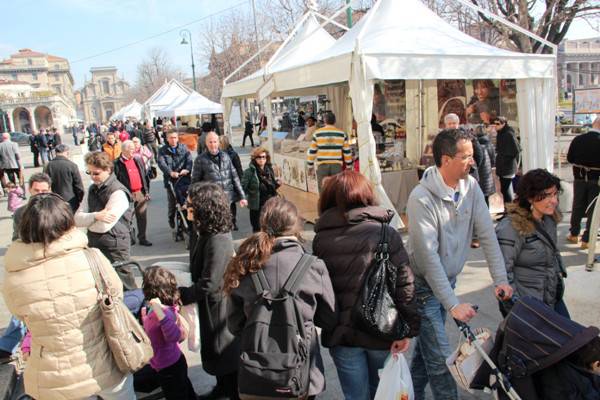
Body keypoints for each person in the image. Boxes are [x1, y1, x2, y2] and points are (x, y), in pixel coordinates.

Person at [406, 129, 513, 400]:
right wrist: (453, 304)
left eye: (472, 156)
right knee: (442, 359)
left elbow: (487, 234)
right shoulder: (421, 199)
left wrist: (500, 278)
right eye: (466, 157)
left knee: (427, 351)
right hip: (423, 286)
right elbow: (429, 259)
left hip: (447, 282)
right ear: (445, 159)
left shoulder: (471, 187)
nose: (473, 162)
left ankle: (409, 393)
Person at [3, 194, 135, 399]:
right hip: (105, 365)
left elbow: (19, 314)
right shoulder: (92, 258)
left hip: (52, 376)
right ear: (66, 222)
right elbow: (116, 295)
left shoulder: (15, 275)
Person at [312, 170, 420, 400]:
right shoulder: (385, 234)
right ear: (367, 196)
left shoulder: (321, 239)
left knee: (355, 396)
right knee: (384, 393)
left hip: (342, 335)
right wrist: (408, 329)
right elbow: (405, 284)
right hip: (382, 330)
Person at [225, 197, 337, 399]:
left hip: (256, 369)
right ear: (296, 226)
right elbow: (328, 318)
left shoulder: (245, 264)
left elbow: (234, 325)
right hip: (302, 372)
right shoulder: (312, 266)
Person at [178, 183, 240, 400]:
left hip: (219, 309)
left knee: (224, 354)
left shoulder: (218, 239)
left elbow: (210, 283)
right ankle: (223, 388)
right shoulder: (205, 232)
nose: (187, 208)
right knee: (218, 353)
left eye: (191, 205)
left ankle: (230, 391)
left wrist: (182, 294)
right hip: (211, 306)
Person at [496, 169, 569, 317]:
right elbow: (503, 272)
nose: (554, 201)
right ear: (530, 197)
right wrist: (516, 307)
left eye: (555, 194)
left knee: (576, 337)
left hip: (552, 297)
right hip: (528, 306)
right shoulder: (511, 227)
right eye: (547, 196)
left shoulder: (549, 219)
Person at [75, 151, 135, 288]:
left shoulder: (118, 192)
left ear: (108, 170)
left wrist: (88, 220)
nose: (92, 177)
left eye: (96, 173)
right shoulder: (91, 189)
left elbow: (103, 226)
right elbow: (77, 219)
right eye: (89, 173)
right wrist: (96, 216)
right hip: (95, 244)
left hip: (115, 246)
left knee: (126, 285)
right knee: (104, 286)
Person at [141, 266, 196, 400]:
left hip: (169, 367)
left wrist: (159, 314)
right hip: (170, 363)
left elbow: (174, 336)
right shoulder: (159, 309)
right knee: (185, 390)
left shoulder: (163, 312)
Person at [191, 131, 247, 230]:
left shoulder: (226, 157)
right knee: (217, 227)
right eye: (210, 142)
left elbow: (235, 177)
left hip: (228, 199)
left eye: (215, 142)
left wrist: (242, 196)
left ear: (218, 143)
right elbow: (195, 182)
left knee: (229, 225)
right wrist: (193, 200)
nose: (213, 145)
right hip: (212, 201)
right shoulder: (200, 160)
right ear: (206, 143)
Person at [566, 116, 600, 250]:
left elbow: (570, 158)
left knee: (577, 205)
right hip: (596, 179)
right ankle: (587, 239)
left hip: (579, 177)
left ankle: (574, 233)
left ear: (593, 124)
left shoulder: (578, 139)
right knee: (594, 209)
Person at [114, 140, 152, 247]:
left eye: (134, 149)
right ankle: (129, 238)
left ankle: (142, 238)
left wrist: (146, 191)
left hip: (139, 192)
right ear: (124, 150)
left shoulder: (137, 160)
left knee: (142, 217)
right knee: (127, 218)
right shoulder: (117, 163)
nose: (133, 151)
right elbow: (115, 180)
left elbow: (144, 175)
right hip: (126, 194)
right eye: (131, 149)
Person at [306, 111, 353, 191]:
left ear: (324, 121)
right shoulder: (342, 134)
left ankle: (323, 203)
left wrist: (310, 166)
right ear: (335, 121)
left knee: (323, 188)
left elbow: (312, 151)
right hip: (337, 166)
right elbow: (347, 152)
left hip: (322, 166)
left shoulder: (317, 133)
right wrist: (349, 166)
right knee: (336, 188)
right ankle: (336, 203)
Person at [157, 131, 193, 229]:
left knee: (188, 199)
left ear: (177, 138)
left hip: (184, 178)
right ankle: (171, 218)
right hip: (170, 180)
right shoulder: (162, 150)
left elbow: (189, 159)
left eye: (175, 137)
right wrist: (170, 172)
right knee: (173, 202)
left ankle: (189, 219)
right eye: (171, 138)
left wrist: (187, 169)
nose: (173, 140)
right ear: (167, 139)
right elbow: (161, 163)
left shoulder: (183, 148)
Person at [241, 147, 280, 232]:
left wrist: (277, 184)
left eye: (263, 157)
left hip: (270, 204)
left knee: (270, 228)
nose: (261, 159)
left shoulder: (269, 170)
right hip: (257, 206)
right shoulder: (249, 172)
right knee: (258, 229)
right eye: (259, 157)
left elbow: (271, 187)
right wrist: (243, 198)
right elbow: (243, 187)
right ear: (254, 159)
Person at [44, 144, 85, 212]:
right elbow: (78, 186)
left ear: (56, 153)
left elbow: (45, 183)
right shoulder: (72, 165)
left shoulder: (48, 165)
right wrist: (81, 199)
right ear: (66, 152)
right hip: (71, 200)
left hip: (54, 200)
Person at [12, 172, 52, 241]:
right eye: (36, 190)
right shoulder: (20, 213)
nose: (40, 194)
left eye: (44, 191)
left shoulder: (59, 209)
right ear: (29, 189)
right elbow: (16, 238)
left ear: (50, 190)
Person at [493, 116, 520, 205]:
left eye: (498, 124)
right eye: (494, 124)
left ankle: (509, 208)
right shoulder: (501, 133)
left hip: (507, 166)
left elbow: (516, 150)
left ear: (504, 124)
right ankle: (508, 208)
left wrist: (505, 158)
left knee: (506, 188)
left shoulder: (508, 134)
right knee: (505, 188)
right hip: (503, 166)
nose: (495, 126)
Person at [475, 124, 496, 206]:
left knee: (479, 196)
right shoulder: (489, 143)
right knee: (486, 196)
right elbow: (493, 158)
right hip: (487, 171)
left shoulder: (476, 144)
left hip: (479, 171)